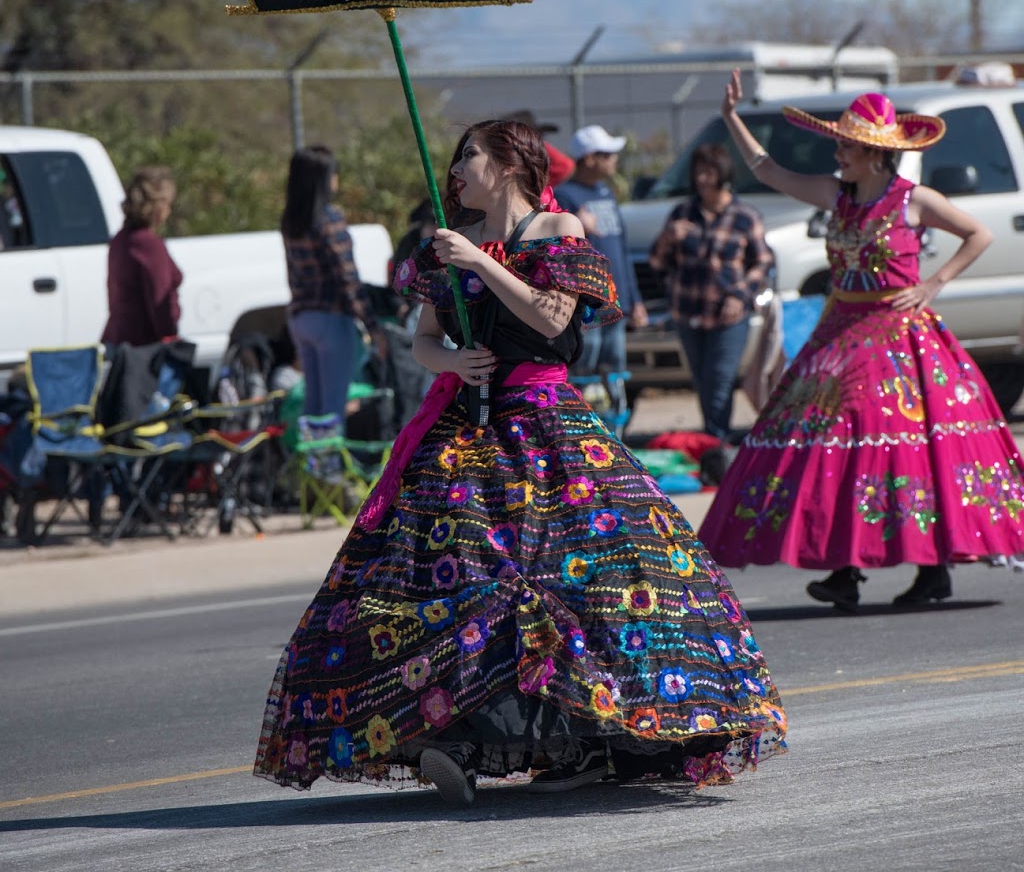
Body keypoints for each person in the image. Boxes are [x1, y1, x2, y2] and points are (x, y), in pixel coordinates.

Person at [254, 118, 786, 806]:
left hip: (547, 427)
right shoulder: (445, 244)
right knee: (454, 572)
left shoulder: (558, 230)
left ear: (508, 163)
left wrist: (481, 264)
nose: (455, 171)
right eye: (453, 160)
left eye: (468, 157)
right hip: (465, 427)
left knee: (590, 578)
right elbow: (422, 341)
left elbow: (550, 319)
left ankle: (588, 737)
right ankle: (458, 735)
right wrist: (453, 357)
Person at [699, 72, 1024, 609]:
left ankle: (928, 570)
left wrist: (932, 284)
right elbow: (768, 170)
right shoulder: (837, 195)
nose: (838, 151)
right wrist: (732, 117)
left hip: (898, 339)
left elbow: (979, 233)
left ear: (875, 153)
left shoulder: (914, 199)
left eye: (847, 144)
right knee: (831, 445)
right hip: (840, 333)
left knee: (899, 449)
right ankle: (847, 568)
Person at [648, 143, 773, 459]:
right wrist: (667, 239)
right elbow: (657, 263)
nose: (703, 179)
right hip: (688, 311)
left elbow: (762, 263)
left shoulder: (744, 216)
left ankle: (718, 444)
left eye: (709, 172)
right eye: (698, 172)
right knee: (703, 380)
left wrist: (740, 295)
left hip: (729, 316)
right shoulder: (682, 213)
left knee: (720, 379)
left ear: (723, 174)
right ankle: (714, 444)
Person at [281, 145, 382, 428]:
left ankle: (309, 468)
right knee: (332, 408)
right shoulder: (329, 218)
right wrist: (373, 328)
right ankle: (328, 469)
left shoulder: (291, 220)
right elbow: (347, 277)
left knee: (312, 404)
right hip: (331, 319)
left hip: (301, 318)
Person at [554, 125, 647, 383]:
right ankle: (584, 418)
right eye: (607, 154)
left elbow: (623, 250)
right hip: (588, 300)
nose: (614, 159)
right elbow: (558, 248)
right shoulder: (565, 195)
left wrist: (634, 298)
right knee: (587, 362)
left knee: (614, 366)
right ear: (590, 158)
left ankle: (614, 421)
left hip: (616, 299)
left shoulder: (607, 193)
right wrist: (577, 224)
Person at [102, 167, 182, 347]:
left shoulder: (120, 240)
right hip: (143, 349)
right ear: (158, 206)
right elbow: (159, 300)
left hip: (117, 341)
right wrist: (170, 341)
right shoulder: (149, 245)